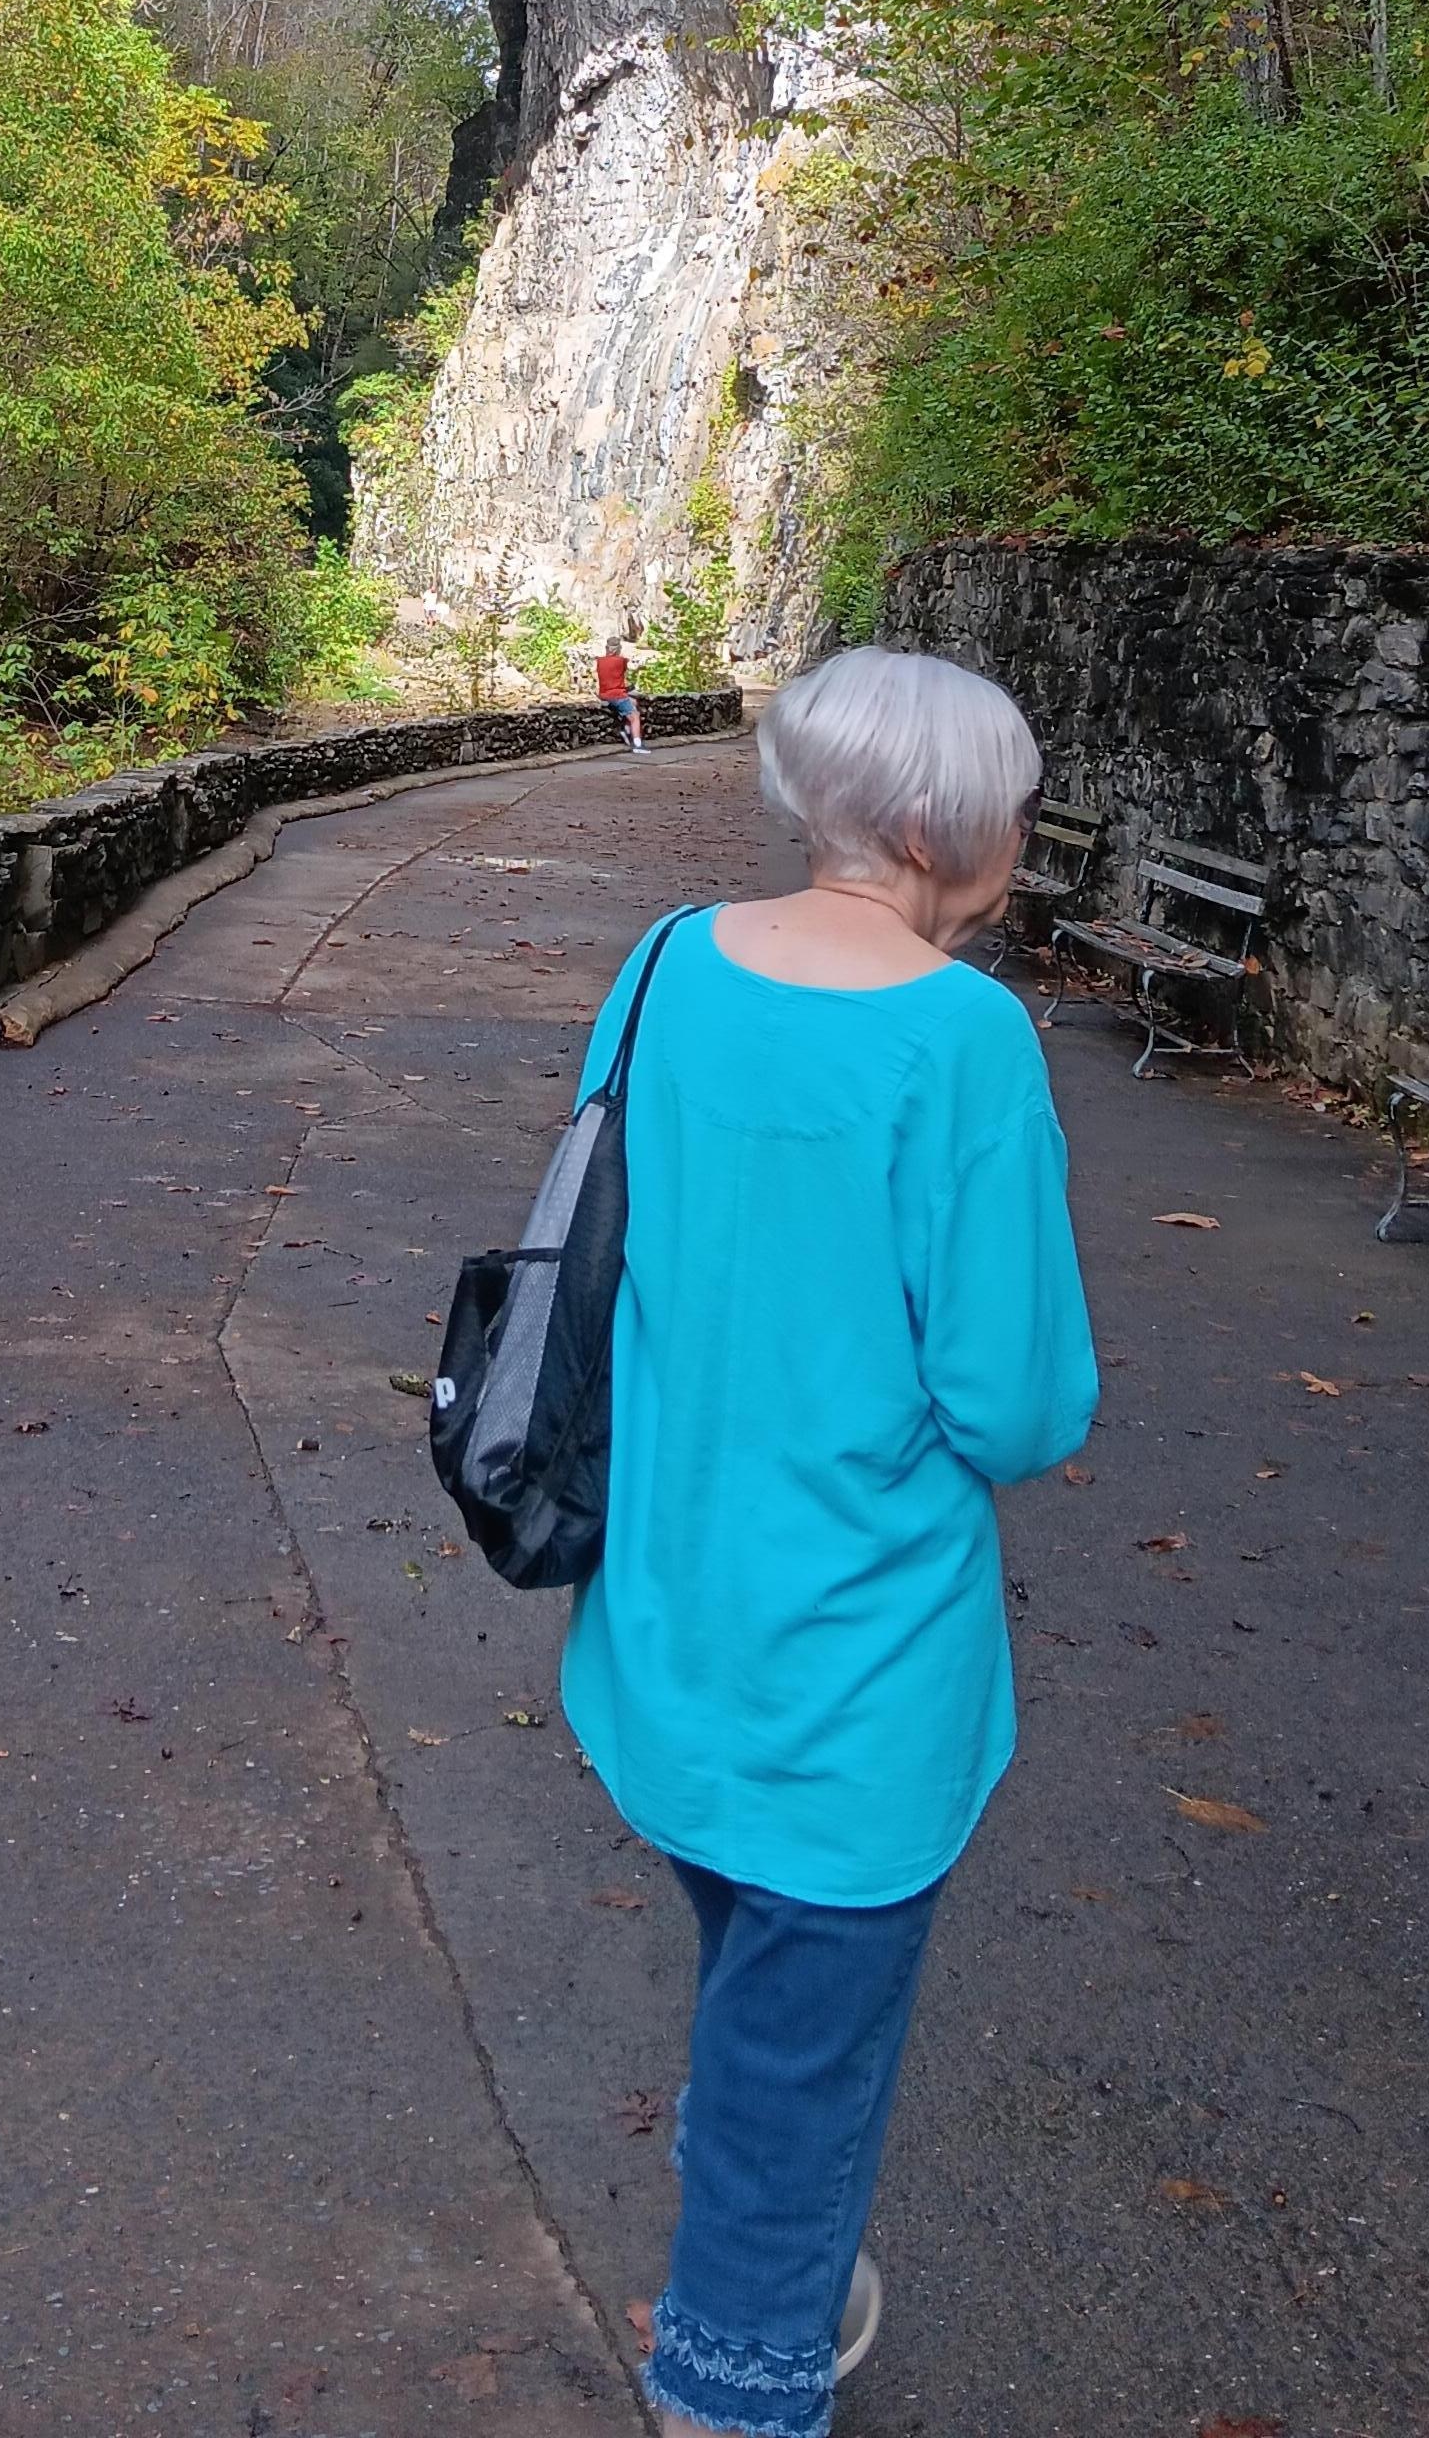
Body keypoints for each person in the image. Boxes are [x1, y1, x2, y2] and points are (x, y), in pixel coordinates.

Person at [561, 644, 1099, 2438]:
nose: (1025, 827)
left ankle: (766, 2245)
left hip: (671, 1626)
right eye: (1018, 798)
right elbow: (1014, 1402)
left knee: (756, 1979)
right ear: (947, 825)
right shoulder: (961, 1038)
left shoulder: (663, 967)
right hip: (851, 1673)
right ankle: (735, 2368)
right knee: (804, 2051)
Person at [595, 634, 645, 751]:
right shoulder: (621, 661)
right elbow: (624, 672)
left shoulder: (600, 661)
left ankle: (627, 730)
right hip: (617, 695)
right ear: (618, 649)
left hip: (604, 694)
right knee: (635, 716)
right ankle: (637, 744)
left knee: (633, 702)